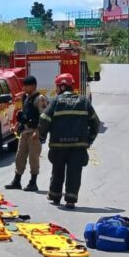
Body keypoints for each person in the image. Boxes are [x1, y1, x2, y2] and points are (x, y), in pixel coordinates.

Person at [37, 73, 100, 208]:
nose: (56, 89)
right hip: (78, 146)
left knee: (57, 170)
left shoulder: (56, 101)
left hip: (58, 145)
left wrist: (41, 136)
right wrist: (89, 140)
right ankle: (70, 199)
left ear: (62, 86)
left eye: (57, 87)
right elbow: (95, 123)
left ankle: (55, 195)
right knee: (74, 172)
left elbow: (44, 120)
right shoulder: (83, 102)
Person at [6, 75, 49, 191]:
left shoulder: (40, 98)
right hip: (24, 131)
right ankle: (17, 180)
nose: (23, 88)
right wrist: (16, 126)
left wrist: (39, 132)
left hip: (34, 132)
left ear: (33, 86)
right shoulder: (25, 97)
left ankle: (33, 182)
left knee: (33, 158)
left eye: (26, 86)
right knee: (19, 156)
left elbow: (44, 117)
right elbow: (24, 115)